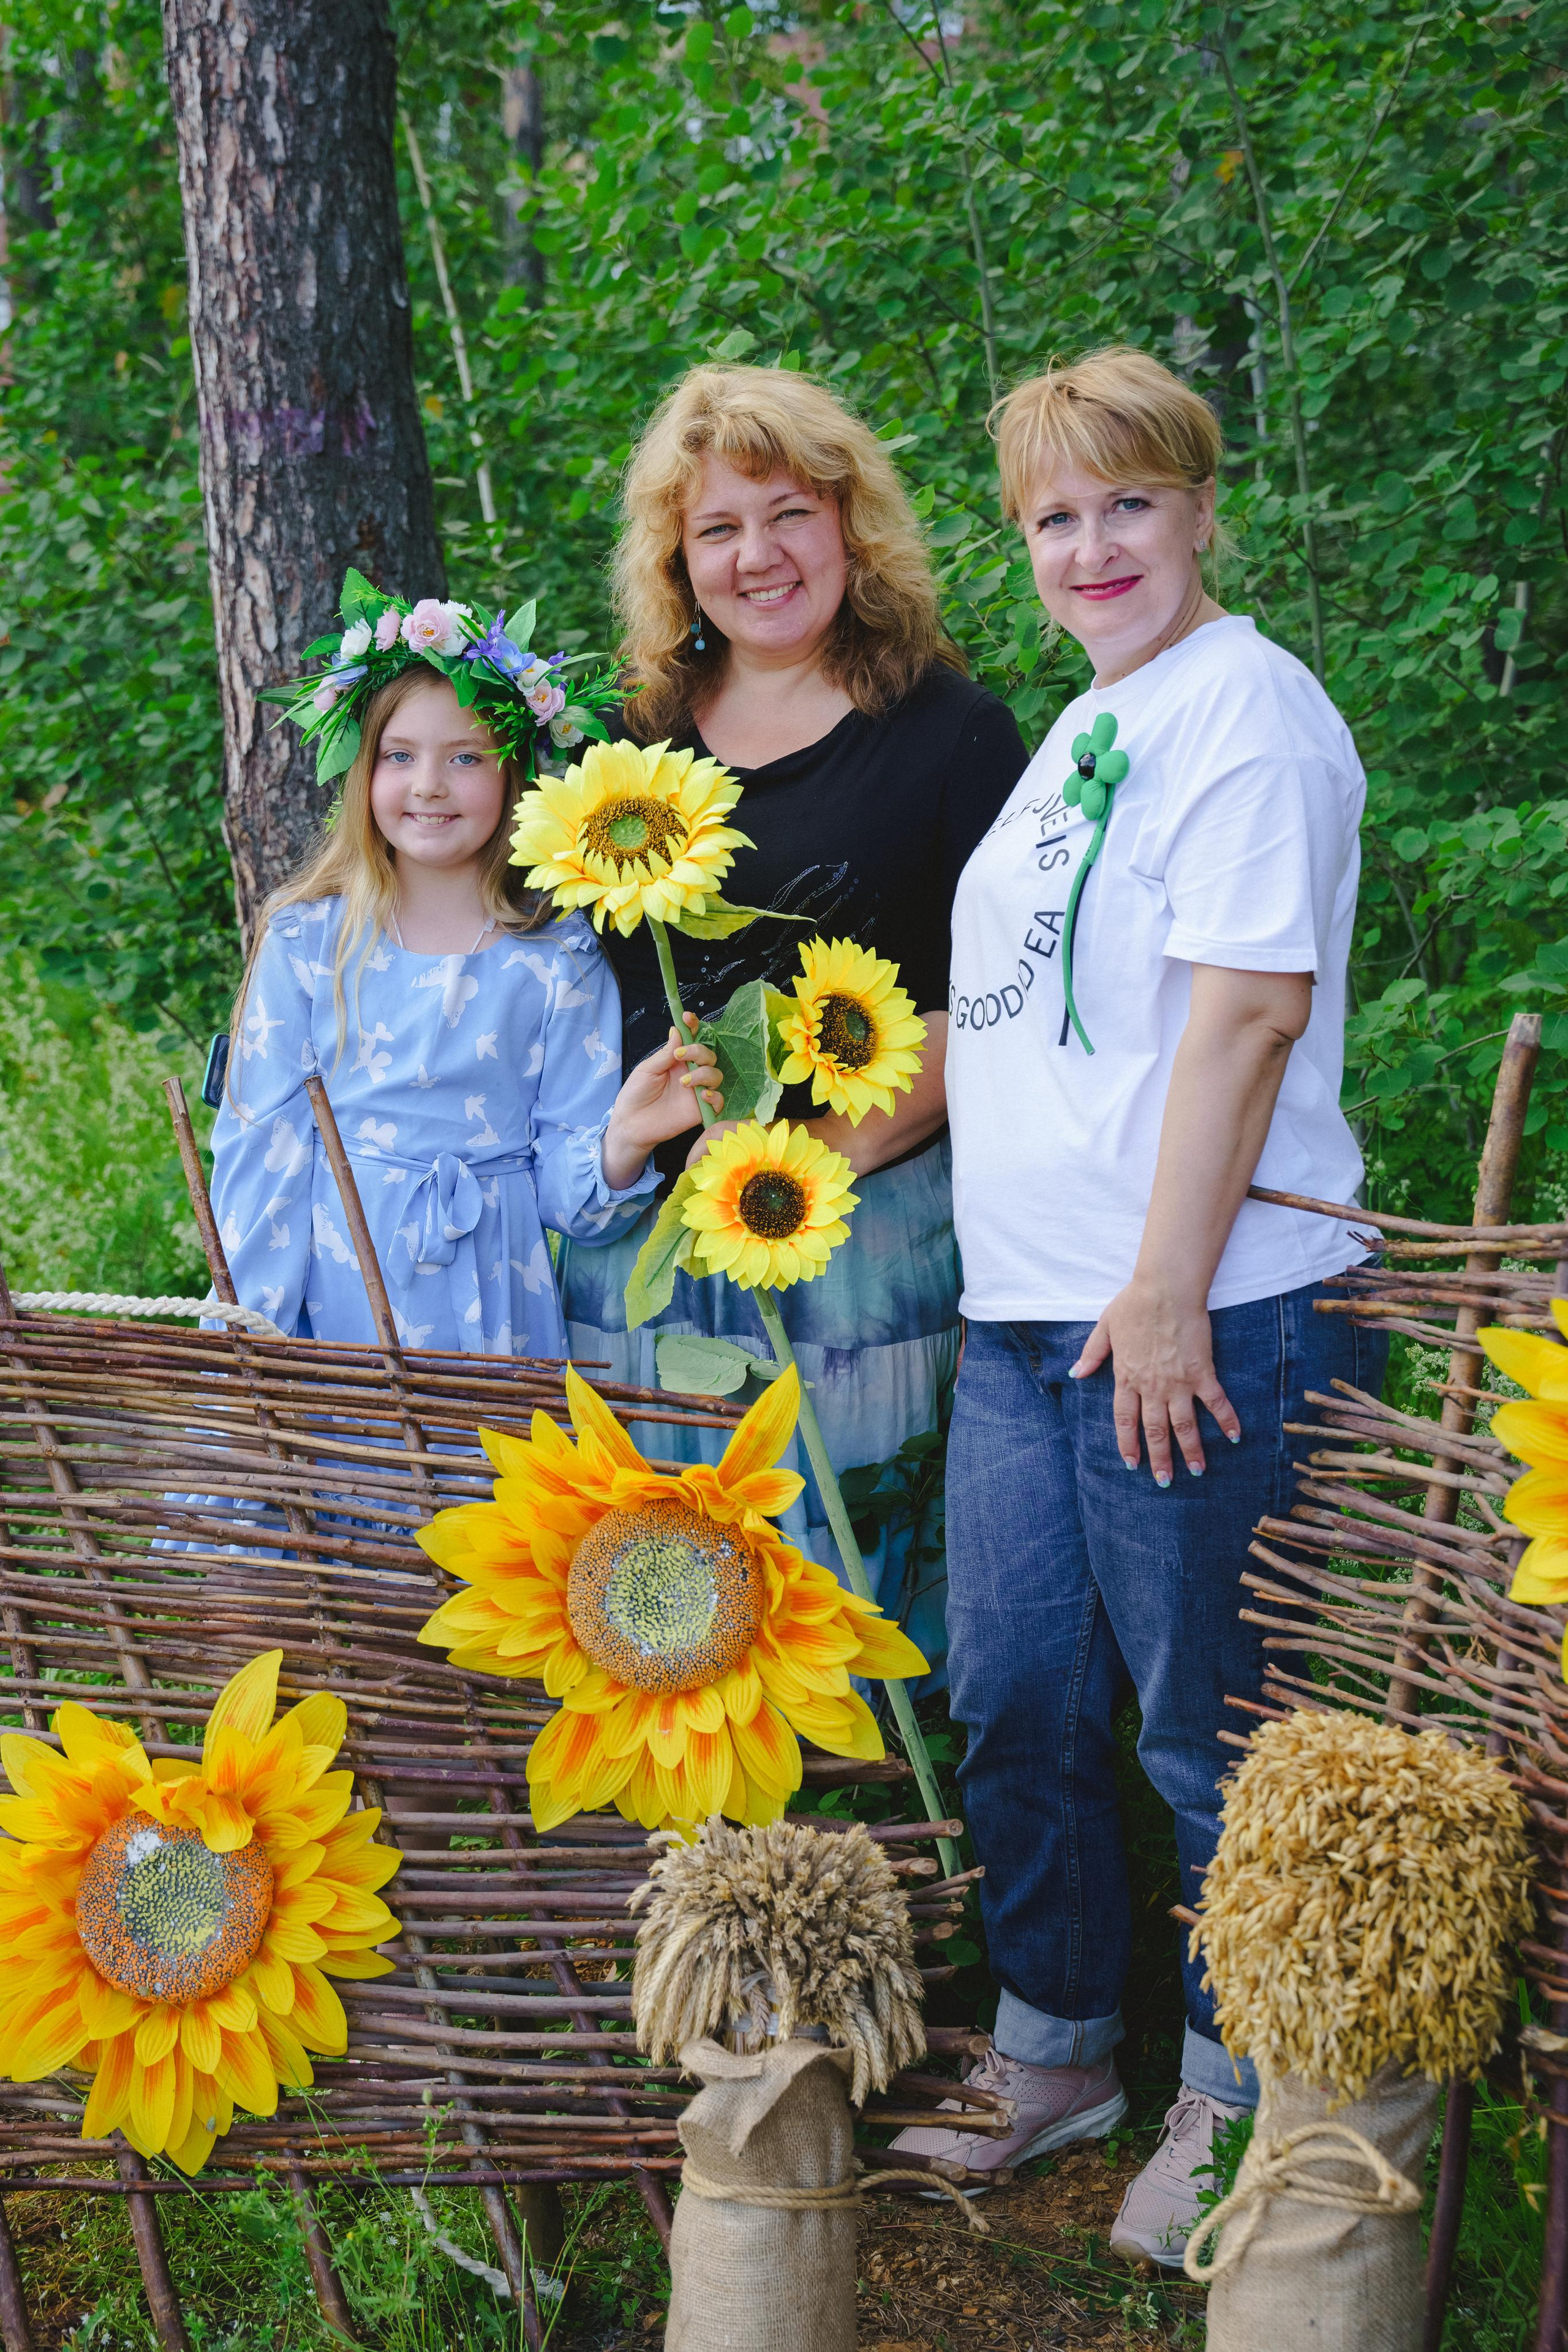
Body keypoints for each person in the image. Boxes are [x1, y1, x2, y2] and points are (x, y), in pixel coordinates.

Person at [894, 347, 1385, 2264]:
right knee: (1015, 1694)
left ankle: (1236, 2088)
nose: (1090, 545)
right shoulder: (1087, 726)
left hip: (1198, 1305)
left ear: (1196, 508)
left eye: (1125, 503)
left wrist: (1168, 1286)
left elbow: (1249, 1009)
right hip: (1025, 1318)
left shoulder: (1243, 713)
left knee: (1205, 1728)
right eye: (1051, 517)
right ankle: (1057, 2047)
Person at [557, 364, 1030, 1677]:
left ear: (848, 524)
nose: (756, 557)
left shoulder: (950, 733)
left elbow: (998, 1002)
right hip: (638, 1257)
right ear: (675, 559)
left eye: (786, 515)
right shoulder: (618, 749)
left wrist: (815, 1153)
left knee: (856, 1604)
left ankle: (897, 1868)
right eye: (717, 529)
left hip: (859, 1246)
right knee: (658, 1620)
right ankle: (696, 1883)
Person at [210, 658, 720, 1355]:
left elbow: (569, 1202)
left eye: (466, 757)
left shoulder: (557, 956)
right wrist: (244, 1341)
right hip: (343, 1304)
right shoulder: (309, 944)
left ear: (514, 776)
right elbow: (260, 1162)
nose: (428, 784)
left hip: (499, 1308)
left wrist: (625, 1139)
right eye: (400, 755)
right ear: (364, 773)